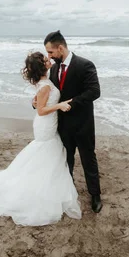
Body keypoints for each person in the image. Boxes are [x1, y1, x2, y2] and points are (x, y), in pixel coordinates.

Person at [0, 52, 82, 226]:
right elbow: (41, 110)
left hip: (48, 123)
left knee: (47, 153)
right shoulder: (44, 86)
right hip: (45, 123)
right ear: (42, 66)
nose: (49, 59)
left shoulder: (45, 82)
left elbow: (39, 103)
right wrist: (59, 105)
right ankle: (38, 188)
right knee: (46, 151)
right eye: (45, 59)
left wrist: (43, 102)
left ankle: (43, 185)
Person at [43, 30, 102, 213]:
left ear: (60, 48)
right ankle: (67, 192)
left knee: (88, 159)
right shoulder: (53, 69)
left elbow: (94, 91)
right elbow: (51, 94)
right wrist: (38, 102)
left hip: (83, 124)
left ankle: (95, 194)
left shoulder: (85, 65)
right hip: (63, 126)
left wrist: (71, 104)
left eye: (51, 52)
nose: (49, 57)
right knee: (66, 161)